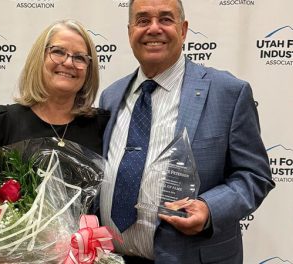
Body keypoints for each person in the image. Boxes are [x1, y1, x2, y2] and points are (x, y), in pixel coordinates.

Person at [99, 0, 275, 263]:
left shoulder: (228, 92)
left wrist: (209, 208)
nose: (154, 28)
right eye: (143, 20)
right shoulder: (110, 97)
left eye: (166, 19)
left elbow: (254, 175)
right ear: (129, 32)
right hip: (114, 258)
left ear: (183, 30)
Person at [0, 19, 109, 157]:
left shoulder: (103, 126)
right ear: (39, 57)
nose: (69, 63)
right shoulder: (0, 124)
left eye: (80, 57)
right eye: (58, 52)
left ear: (89, 70)